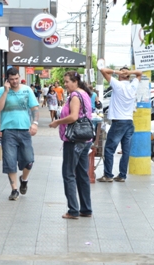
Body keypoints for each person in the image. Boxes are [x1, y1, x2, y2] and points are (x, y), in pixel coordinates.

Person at [49, 71, 93, 219]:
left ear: (75, 82)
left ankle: (73, 210)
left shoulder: (75, 96)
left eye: (67, 81)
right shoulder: (84, 94)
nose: (65, 84)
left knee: (68, 174)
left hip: (74, 140)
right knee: (82, 174)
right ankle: (86, 209)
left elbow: (74, 117)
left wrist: (57, 122)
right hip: (85, 140)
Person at [0, 67, 39, 201]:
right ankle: (14, 190)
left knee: (29, 160)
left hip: (25, 130)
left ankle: (24, 180)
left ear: (19, 77)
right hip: (8, 130)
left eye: (16, 78)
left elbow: (34, 108)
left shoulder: (27, 90)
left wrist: (35, 123)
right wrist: (6, 92)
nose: (14, 81)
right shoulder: (2, 91)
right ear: (7, 79)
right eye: (11, 79)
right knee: (10, 160)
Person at [96, 66, 142, 182]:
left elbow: (103, 70)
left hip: (118, 122)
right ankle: (122, 175)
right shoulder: (133, 85)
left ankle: (108, 175)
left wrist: (117, 72)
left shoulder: (117, 84)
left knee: (109, 149)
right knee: (126, 151)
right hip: (129, 122)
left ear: (120, 75)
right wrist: (128, 72)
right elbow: (139, 73)